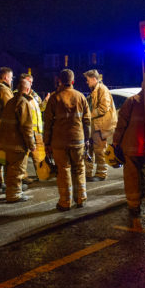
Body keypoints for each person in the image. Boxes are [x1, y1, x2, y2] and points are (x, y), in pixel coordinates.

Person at [43, 69, 91, 211]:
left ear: (59, 80)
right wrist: (87, 139)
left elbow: (48, 124)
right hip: (78, 140)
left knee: (64, 171)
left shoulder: (54, 98)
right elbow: (87, 121)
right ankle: (81, 198)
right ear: (73, 81)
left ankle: (65, 202)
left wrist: (47, 143)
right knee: (79, 169)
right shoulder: (81, 97)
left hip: (59, 142)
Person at [0, 78, 37, 203]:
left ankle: (11, 191)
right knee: (17, 170)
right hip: (18, 144)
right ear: (27, 89)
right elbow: (26, 127)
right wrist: (31, 144)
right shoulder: (23, 103)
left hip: (7, 142)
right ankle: (14, 195)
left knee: (9, 168)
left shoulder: (10, 102)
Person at [111, 89, 145, 215]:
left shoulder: (132, 101)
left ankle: (134, 205)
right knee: (142, 171)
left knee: (132, 176)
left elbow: (121, 124)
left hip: (131, 146)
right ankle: (141, 197)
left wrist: (116, 141)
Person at [83, 69, 117, 182]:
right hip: (96, 126)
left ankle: (101, 174)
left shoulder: (102, 90)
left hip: (101, 126)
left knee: (99, 150)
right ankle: (88, 173)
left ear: (94, 79)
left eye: (88, 80)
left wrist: (88, 115)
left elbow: (103, 108)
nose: (86, 82)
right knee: (91, 149)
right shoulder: (96, 90)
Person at [19, 73, 51, 182]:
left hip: (37, 130)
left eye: (32, 82)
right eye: (29, 81)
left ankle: (42, 174)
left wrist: (46, 101)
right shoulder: (18, 94)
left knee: (39, 155)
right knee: (24, 155)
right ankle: (22, 176)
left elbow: (41, 108)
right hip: (27, 130)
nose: (31, 84)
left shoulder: (34, 94)